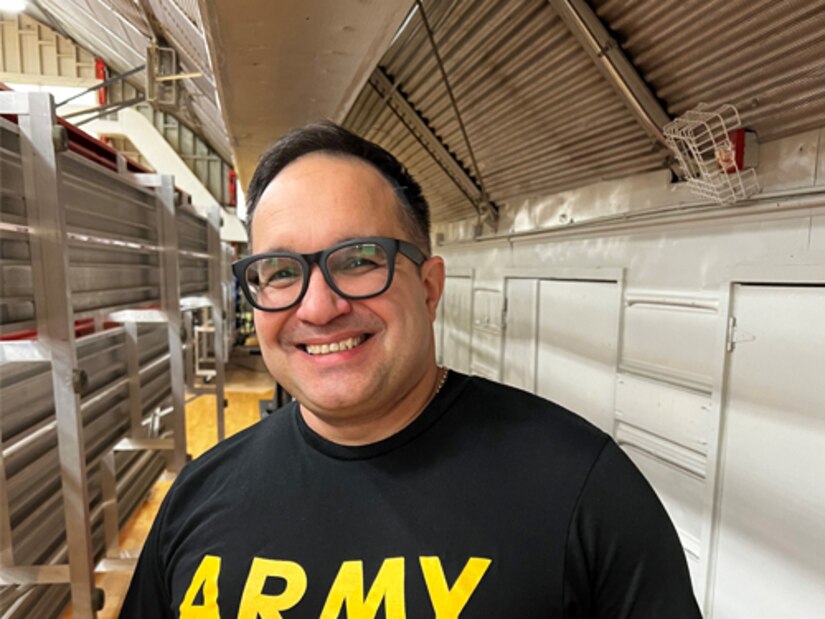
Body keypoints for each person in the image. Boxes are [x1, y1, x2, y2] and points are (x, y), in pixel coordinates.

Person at [120, 122, 702, 618]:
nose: (319, 308)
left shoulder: (581, 488)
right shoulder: (198, 497)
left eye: (359, 261)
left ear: (428, 288)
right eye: (279, 272)